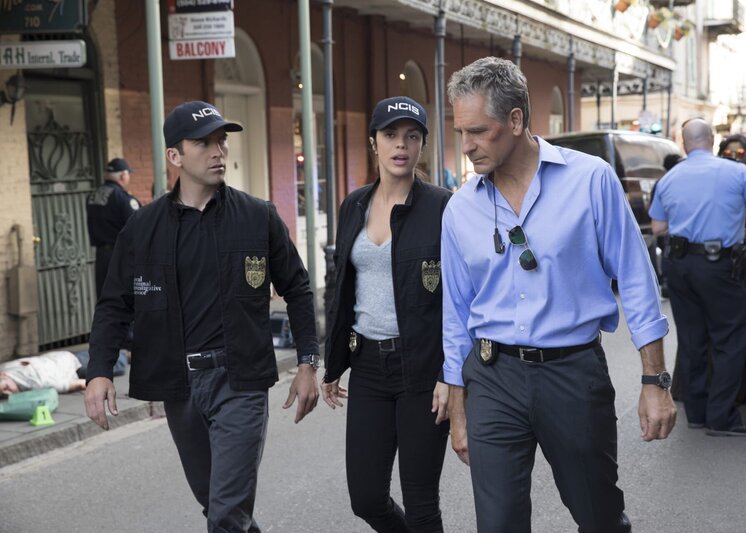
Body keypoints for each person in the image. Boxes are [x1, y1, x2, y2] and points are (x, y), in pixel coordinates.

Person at [441, 57, 676, 533]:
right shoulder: (459, 209)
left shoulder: (590, 180)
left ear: (516, 119)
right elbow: (456, 313)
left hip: (572, 374)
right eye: (460, 132)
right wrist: (459, 410)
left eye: (479, 131)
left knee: (598, 515)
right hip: (492, 377)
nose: (466, 147)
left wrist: (656, 382)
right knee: (499, 523)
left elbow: (635, 279)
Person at [84, 101, 320, 533]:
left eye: (221, 141)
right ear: (175, 156)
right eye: (203, 142)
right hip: (180, 387)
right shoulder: (142, 228)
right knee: (215, 505)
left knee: (226, 514)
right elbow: (114, 304)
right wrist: (98, 370)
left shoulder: (257, 216)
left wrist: (308, 362)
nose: (218, 151)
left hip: (240, 381)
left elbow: (299, 291)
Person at [322, 96, 452, 532]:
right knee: (366, 497)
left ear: (422, 145)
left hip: (421, 368)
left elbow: (460, 299)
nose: (402, 145)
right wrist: (333, 362)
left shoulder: (442, 207)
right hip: (368, 368)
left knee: (421, 503)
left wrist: (450, 374)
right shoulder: (353, 205)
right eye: (391, 135)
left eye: (412, 136)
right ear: (374, 143)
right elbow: (342, 288)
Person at [649, 118, 746, 437]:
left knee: (692, 339)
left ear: (684, 142)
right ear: (711, 139)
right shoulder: (737, 173)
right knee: (730, 336)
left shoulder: (669, 179)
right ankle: (722, 418)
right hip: (718, 266)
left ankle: (698, 413)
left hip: (679, 267)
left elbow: (659, 228)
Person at [86, 158, 140, 297]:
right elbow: (137, 227)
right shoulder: (123, 198)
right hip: (120, 255)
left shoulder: (92, 195)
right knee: (124, 297)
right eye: (129, 174)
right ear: (123, 176)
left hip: (101, 255)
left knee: (105, 298)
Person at [0, 351, 85, 396]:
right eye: (3, 395)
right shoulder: (5, 369)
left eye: (6, 387)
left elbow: (80, 384)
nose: (8, 393)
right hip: (60, 356)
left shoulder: (37, 383)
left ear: (2, 375)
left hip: (74, 366)